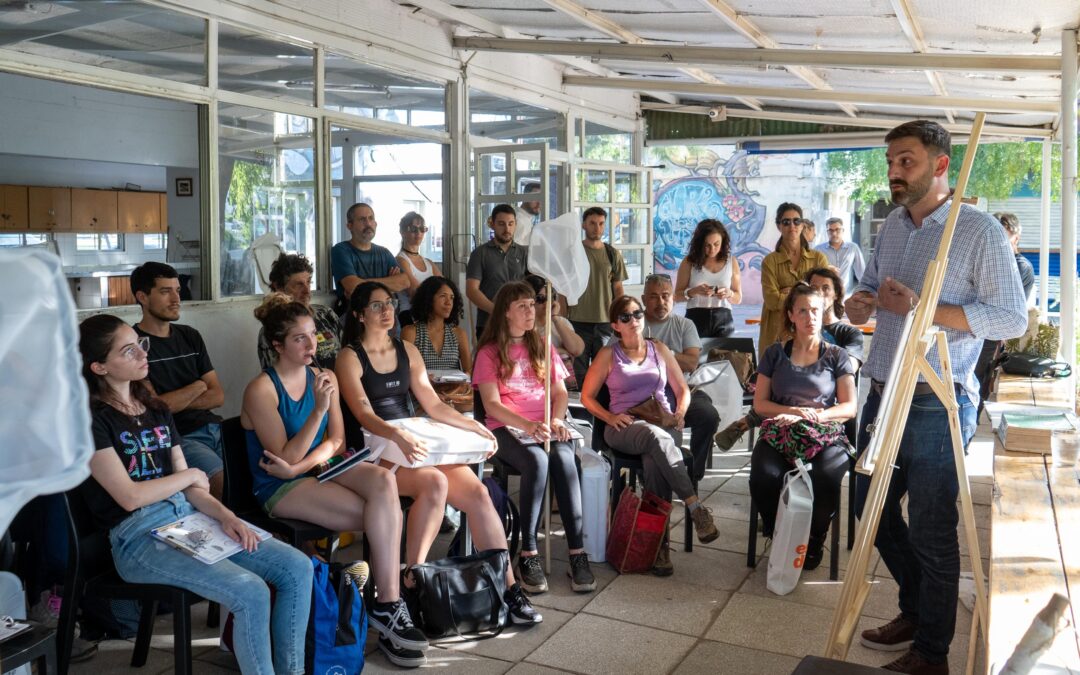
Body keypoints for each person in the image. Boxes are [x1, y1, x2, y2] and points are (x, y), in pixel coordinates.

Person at [846, 120, 1026, 674]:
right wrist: (863, 302)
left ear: (941, 166)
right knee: (867, 511)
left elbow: (1011, 317)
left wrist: (923, 307)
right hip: (883, 385)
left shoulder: (979, 232)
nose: (895, 173)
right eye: (892, 162)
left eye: (907, 162)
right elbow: (875, 287)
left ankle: (932, 652)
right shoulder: (892, 226)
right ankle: (918, 608)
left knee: (929, 526)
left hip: (937, 397)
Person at [78, 314, 313, 675]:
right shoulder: (93, 421)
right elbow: (130, 497)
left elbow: (194, 490)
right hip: (137, 536)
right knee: (251, 591)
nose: (143, 355)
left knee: (296, 567)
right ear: (99, 366)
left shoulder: (155, 409)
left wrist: (228, 517)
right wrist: (188, 475)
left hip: (187, 517)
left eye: (141, 345)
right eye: (129, 351)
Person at [336, 282, 542, 625]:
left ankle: (508, 588)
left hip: (413, 440)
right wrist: (397, 433)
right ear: (358, 315)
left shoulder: (407, 349)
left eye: (389, 303)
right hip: (377, 445)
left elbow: (431, 403)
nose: (387, 310)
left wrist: (473, 426)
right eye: (376, 307)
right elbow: (363, 413)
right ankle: (414, 577)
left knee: (477, 493)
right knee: (433, 482)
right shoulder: (349, 355)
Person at [242, 293, 427, 668]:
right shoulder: (261, 389)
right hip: (277, 485)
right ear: (277, 344)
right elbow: (284, 457)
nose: (313, 345)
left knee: (382, 484)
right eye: (300, 338)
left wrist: (304, 463)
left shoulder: (323, 377)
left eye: (313, 335)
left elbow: (338, 442)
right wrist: (320, 411)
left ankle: (386, 600)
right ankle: (386, 602)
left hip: (317, 469)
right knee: (385, 514)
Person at [580, 295, 719, 577]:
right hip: (624, 426)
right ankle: (694, 505)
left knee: (656, 459)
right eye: (625, 317)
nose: (634, 321)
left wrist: (680, 413)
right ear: (615, 325)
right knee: (656, 439)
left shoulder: (659, 349)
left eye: (637, 314)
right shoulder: (609, 354)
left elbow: (683, 389)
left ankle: (659, 546)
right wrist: (609, 416)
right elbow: (586, 396)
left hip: (664, 423)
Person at [474, 282, 596, 595]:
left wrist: (554, 419)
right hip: (506, 426)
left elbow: (559, 392)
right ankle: (528, 553)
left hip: (545, 421)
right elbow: (491, 405)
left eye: (533, 304)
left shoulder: (543, 344)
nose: (532, 311)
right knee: (537, 460)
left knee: (565, 458)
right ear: (506, 314)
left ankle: (577, 552)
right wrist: (528, 426)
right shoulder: (489, 352)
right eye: (523, 306)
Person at [748, 283, 856, 570]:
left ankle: (815, 538)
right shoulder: (775, 353)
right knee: (764, 476)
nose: (811, 317)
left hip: (824, 434)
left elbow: (849, 407)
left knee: (826, 478)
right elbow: (760, 404)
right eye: (803, 311)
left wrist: (815, 417)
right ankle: (779, 532)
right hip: (780, 431)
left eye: (816, 310)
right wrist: (794, 412)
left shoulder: (836, 356)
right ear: (791, 316)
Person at [714, 266, 863, 451]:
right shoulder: (781, 347)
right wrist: (793, 408)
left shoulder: (846, 336)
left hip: (823, 409)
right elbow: (768, 392)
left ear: (835, 294)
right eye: (814, 287)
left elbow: (850, 368)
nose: (818, 292)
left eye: (825, 288)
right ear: (792, 314)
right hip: (785, 412)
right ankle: (751, 419)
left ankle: (748, 421)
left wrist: (810, 407)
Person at [131, 262, 226, 499]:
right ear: (142, 297)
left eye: (177, 290)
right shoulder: (135, 346)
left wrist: (175, 400)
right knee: (218, 479)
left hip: (216, 426)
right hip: (178, 437)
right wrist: (198, 386)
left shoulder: (190, 336)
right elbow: (157, 408)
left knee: (261, 467)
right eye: (165, 292)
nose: (176, 299)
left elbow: (218, 396)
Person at [642, 273, 721, 481]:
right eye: (654, 296)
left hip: (682, 390)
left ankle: (693, 473)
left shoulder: (684, 325)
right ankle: (648, 476)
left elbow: (691, 362)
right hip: (642, 396)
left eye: (666, 296)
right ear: (643, 300)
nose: (661, 302)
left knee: (708, 415)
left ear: (672, 299)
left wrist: (663, 352)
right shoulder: (633, 323)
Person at [566, 207, 628, 386]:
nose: (597, 228)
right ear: (584, 225)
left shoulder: (612, 253)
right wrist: (562, 318)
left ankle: (602, 409)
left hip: (605, 322)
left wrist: (620, 316)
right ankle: (582, 411)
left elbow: (618, 287)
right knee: (579, 372)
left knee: (605, 371)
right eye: (592, 223)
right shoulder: (573, 253)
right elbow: (564, 288)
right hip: (578, 321)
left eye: (601, 224)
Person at [758, 204, 829, 360]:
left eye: (796, 221)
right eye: (786, 222)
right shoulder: (769, 261)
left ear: (803, 225)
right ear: (779, 226)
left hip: (809, 332)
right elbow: (771, 300)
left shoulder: (818, 258)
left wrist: (790, 292)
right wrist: (806, 292)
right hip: (776, 332)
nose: (792, 226)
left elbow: (824, 296)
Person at [256, 253, 341, 370]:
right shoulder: (274, 328)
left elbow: (348, 354)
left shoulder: (326, 314)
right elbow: (280, 378)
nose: (307, 291)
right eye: (299, 284)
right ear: (279, 287)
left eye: (309, 282)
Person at [401, 276, 473, 412]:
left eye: (452, 298)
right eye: (443, 296)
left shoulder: (459, 333)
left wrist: (462, 380)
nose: (448, 303)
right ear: (428, 299)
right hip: (422, 395)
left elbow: (468, 371)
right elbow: (404, 372)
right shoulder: (411, 332)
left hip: (453, 394)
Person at [465, 204, 530, 339]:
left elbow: (532, 288)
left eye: (511, 224)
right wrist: (496, 311)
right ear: (492, 224)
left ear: (515, 225)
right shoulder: (480, 253)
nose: (507, 229)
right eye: (501, 224)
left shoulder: (525, 252)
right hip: (489, 323)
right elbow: (472, 290)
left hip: (520, 324)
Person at [331, 202, 408, 310]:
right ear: (350, 226)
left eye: (371, 218)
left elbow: (404, 282)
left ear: (376, 223)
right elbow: (353, 286)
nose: (368, 224)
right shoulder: (341, 250)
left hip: (388, 318)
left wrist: (362, 283)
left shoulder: (384, 253)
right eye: (362, 219)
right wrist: (388, 287)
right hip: (356, 319)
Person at [674, 218, 742, 338]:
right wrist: (693, 292)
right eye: (707, 245)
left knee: (724, 356)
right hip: (695, 317)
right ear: (700, 243)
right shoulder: (689, 262)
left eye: (716, 244)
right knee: (695, 356)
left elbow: (738, 298)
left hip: (724, 318)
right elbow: (677, 296)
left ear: (723, 242)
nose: (712, 250)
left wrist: (729, 293)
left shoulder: (731, 262)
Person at [525, 274, 584, 387]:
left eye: (550, 297)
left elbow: (578, 349)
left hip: (560, 385)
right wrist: (558, 351)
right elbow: (525, 353)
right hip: (533, 383)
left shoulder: (560, 322)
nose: (547, 302)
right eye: (541, 298)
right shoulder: (523, 325)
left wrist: (555, 318)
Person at [395, 212, 442, 327]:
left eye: (422, 229)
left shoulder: (429, 262)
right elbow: (415, 292)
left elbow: (446, 289)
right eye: (413, 229)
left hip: (431, 314)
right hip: (410, 314)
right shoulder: (400, 260)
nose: (418, 233)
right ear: (402, 232)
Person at [815, 217, 866, 299]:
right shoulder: (818, 249)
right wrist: (825, 267)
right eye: (830, 230)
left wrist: (863, 292)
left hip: (843, 295)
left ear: (843, 230)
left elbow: (862, 273)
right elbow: (812, 271)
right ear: (827, 232)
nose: (834, 233)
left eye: (837, 230)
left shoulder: (852, 248)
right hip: (823, 295)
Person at [994, 212, 1035, 302]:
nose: (995, 241)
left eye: (1002, 236)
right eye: (993, 236)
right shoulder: (992, 260)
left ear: (1016, 238)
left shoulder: (1020, 266)